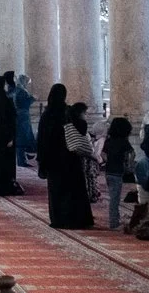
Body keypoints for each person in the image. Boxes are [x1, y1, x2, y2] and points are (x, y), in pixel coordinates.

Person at [45, 100, 96, 229]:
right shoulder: (80, 124)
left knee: (65, 192)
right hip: (75, 161)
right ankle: (79, 219)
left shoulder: (61, 124)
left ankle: (63, 218)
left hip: (62, 161)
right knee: (77, 190)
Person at [100, 117, 135, 231]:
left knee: (113, 196)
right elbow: (132, 153)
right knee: (115, 198)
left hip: (108, 172)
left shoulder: (109, 141)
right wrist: (129, 165)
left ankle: (115, 219)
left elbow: (102, 154)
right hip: (117, 173)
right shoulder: (124, 142)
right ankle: (114, 222)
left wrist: (109, 160)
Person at [11, 72, 38, 160]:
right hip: (23, 115)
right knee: (24, 136)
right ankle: (23, 158)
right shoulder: (21, 91)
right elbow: (25, 103)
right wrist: (33, 98)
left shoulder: (18, 90)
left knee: (23, 136)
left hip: (21, 115)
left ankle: (24, 156)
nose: (27, 84)